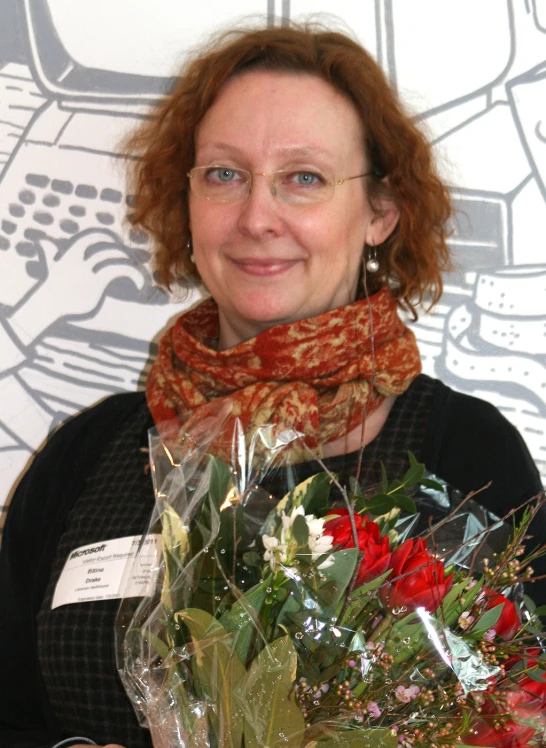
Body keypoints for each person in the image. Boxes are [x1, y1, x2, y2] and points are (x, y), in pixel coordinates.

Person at [0, 22, 543, 748]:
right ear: (185, 201)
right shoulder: (86, 452)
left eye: (305, 178)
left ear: (380, 212)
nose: (257, 217)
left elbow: (521, 712)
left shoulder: (467, 454)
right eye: (225, 174)